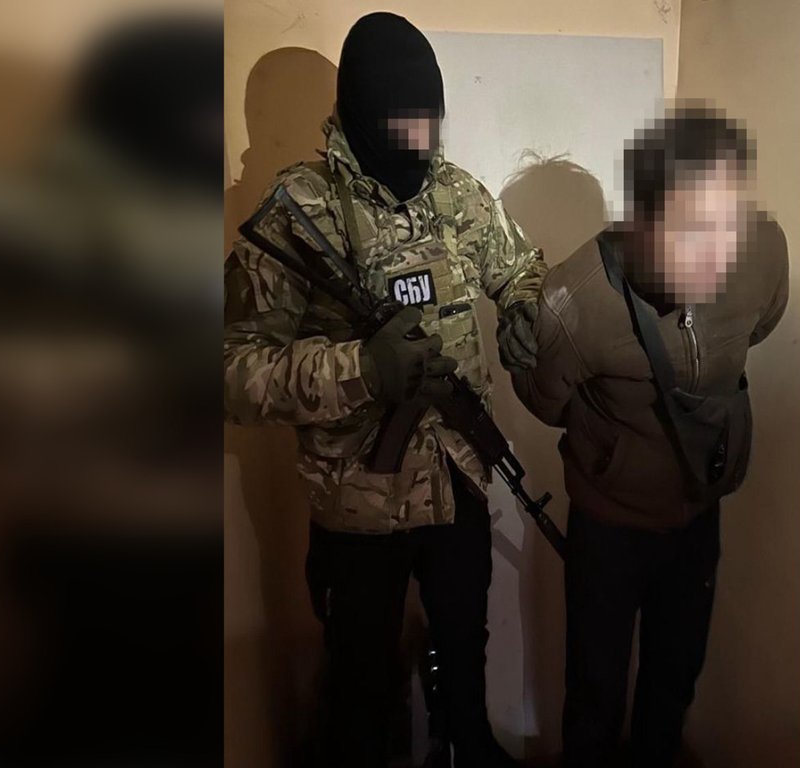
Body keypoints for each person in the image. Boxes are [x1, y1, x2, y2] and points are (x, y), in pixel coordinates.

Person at [222, 12, 545, 768]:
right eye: (402, 122)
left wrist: (525, 311)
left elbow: (520, 268)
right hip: (356, 501)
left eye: (430, 120)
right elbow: (233, 371)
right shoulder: (299, 213)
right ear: (363, 113)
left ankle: (469, 744)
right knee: (361, 685)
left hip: (459, 474)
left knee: (464, 646)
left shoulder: (458, 195)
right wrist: (361, 370)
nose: (419, 140)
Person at [509, 106, 790, 767]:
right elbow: (545, 401)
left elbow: (760, 324)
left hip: (699, 510)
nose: (716, 254)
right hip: (609, 527)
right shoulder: (574, 299)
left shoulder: (764, 253)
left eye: (728, 224)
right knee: (596, 696)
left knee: (674, 683)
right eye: (690, 230)